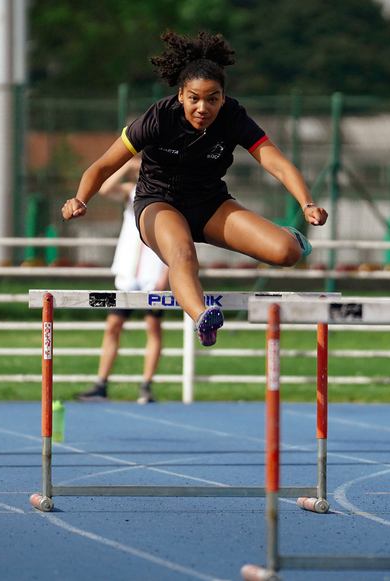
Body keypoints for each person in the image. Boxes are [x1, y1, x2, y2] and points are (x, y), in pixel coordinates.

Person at [61, 30, 327, 347]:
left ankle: (288, 235)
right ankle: (203, 317)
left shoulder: (233, 118)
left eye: (212, 99)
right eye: (194, 99)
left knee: (287, 253)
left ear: (223, 98)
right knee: (182, 255)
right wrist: (80, 199)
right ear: (181, 96)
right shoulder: (159, 118)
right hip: (158, 204)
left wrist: (307, 203)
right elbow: (103, 165)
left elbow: (278, 163)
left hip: (209, 204)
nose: (203, 108)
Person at [76, 157, 170, 403]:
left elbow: (181, 240)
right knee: (113, 326)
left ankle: (146, 385)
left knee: (153, 327)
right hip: (129, 274)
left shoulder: (172, 196)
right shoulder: (132, 191)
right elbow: (105, 189)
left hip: (153, 273)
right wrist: (128, 166)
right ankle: (101, 383)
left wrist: (166, 274)